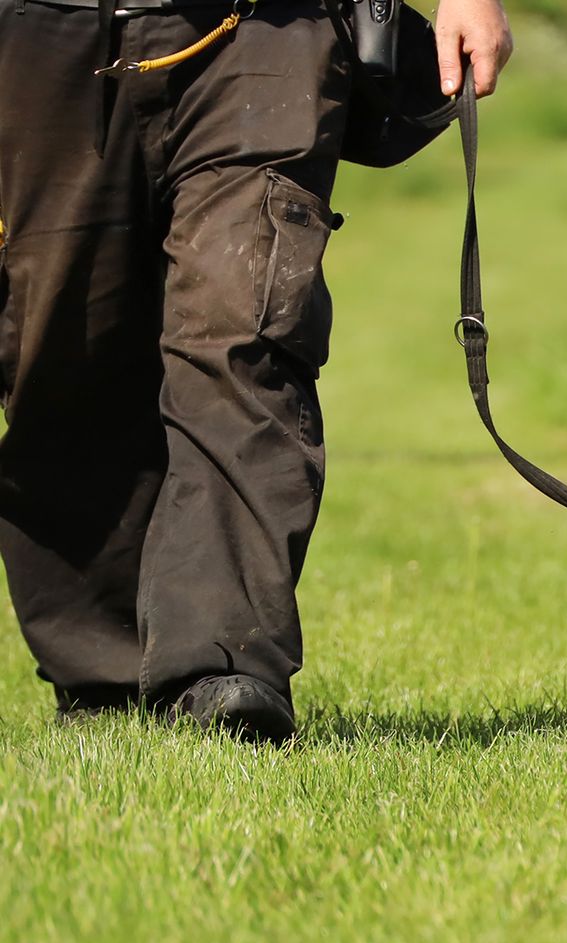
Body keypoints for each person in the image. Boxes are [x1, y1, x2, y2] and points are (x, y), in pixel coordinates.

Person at [0, 0, 512, 742]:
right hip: (46, 28)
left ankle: (223, 664)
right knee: (64, 350)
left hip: (270, 26)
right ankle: (100, 668)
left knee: (249, 327)